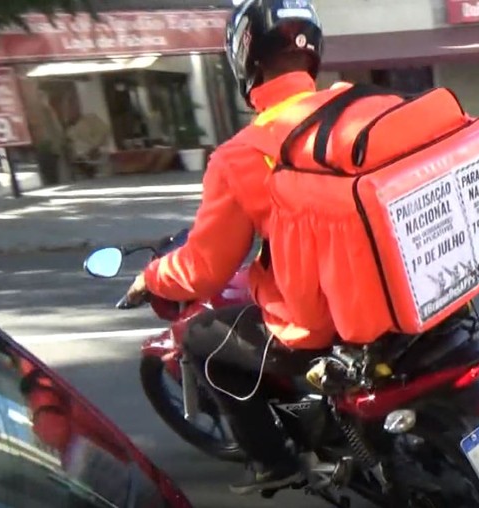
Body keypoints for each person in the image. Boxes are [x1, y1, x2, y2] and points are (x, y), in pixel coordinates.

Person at [122, 0, 338, 495]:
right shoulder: (359, 114)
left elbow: (203, 271)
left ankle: (275, 460)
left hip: (321, 320)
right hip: (407, 298)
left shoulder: (242, 155)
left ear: (245, 58)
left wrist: (150, 277)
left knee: (200, 340)